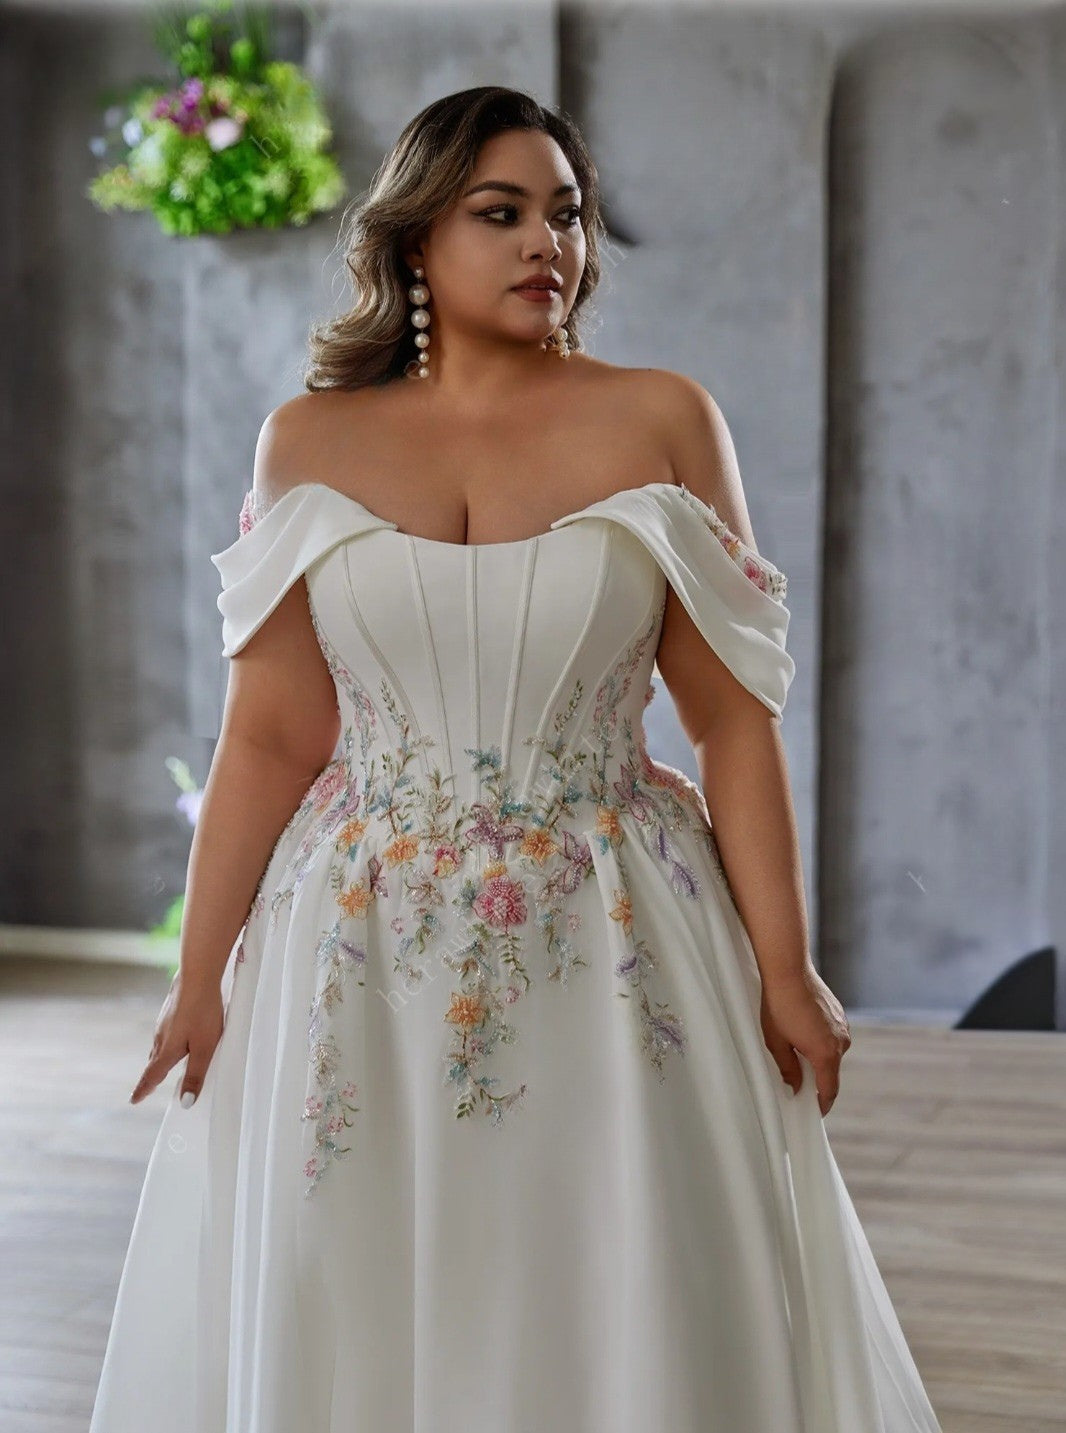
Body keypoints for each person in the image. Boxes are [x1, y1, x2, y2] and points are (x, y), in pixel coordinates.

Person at [90, 86, 943, 1432]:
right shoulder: (306, 440)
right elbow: (267, 735)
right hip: (354, 936)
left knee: (606, 1264)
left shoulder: (664, 418)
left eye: (568, 213)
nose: (549, 242)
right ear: (415, 240)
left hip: (614, 921)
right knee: (358, 1276)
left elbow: (730, 720)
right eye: (502, 213)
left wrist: (786, 969)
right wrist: (199, 980)